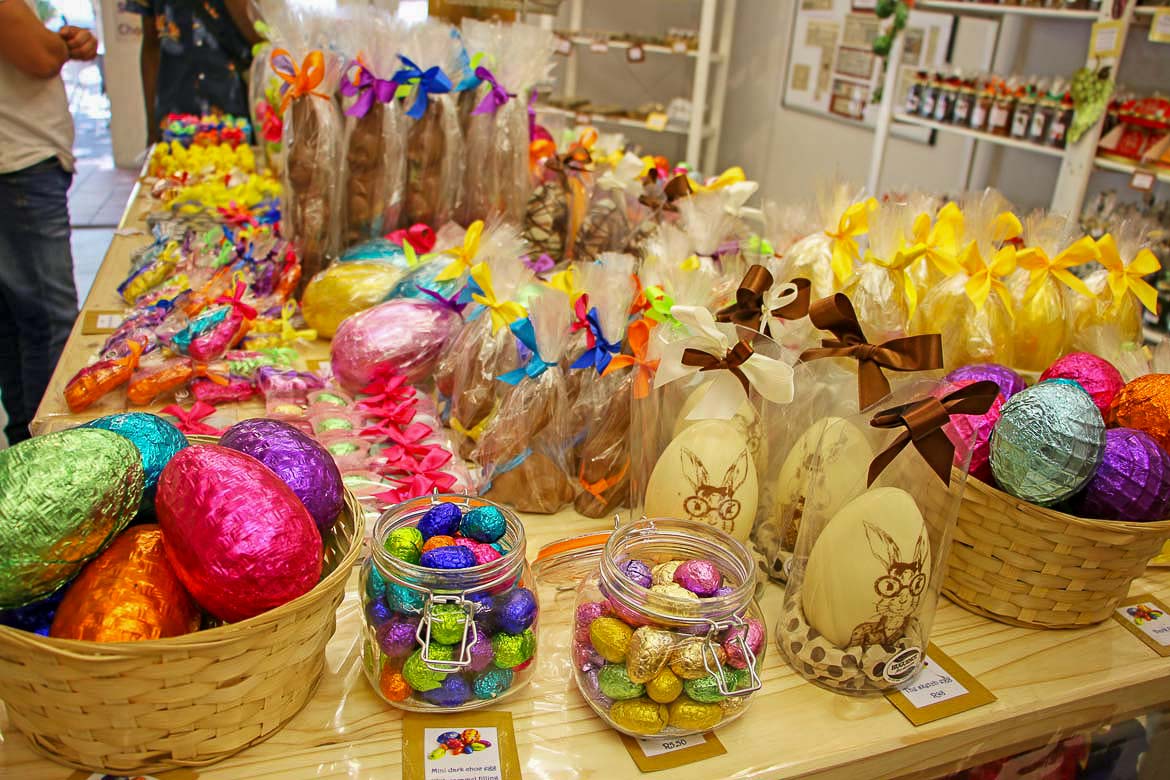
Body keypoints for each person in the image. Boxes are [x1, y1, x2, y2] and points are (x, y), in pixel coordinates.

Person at [0, 2, 97, 445]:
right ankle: (49, 458)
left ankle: (24, 445)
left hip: (18, 164)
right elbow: (38, 56)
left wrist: (62, 41)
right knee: (48, 322)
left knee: (18, 320)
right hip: (19, 165)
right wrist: (57, 45)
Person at [129, 0, 260, 143]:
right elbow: (151, 47)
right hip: (175, 123)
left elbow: (259, 37)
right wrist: (152, 131)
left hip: (237, 118)